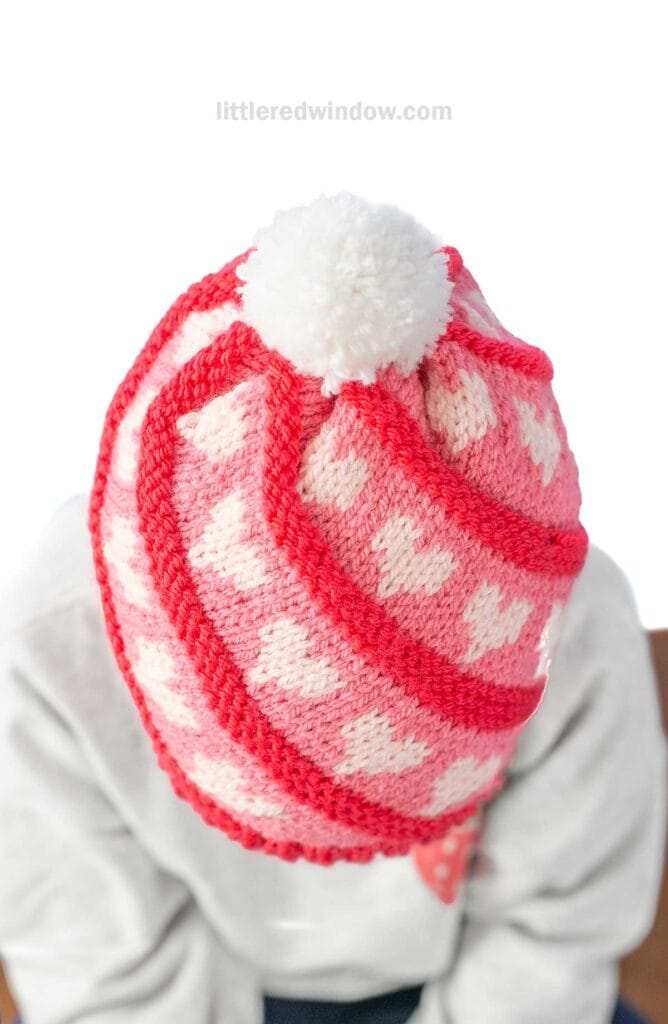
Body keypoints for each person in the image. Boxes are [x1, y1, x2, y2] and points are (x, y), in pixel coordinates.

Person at [0, 194, 665, 1024]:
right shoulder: (52, 636)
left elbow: (556, 931)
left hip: (479, 972)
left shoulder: (566, 626)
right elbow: (96, 958)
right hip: (199, 976)